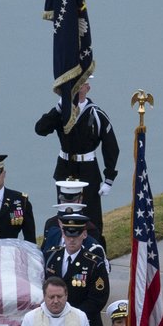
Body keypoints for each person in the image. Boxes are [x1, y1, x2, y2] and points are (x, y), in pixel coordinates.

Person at [35, 79, 120, 237]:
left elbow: (111, 147)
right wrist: (59, 108)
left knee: (91, 216)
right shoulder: (61, 112)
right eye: (74, 84)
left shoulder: (96, 114)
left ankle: (95, 253)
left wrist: (109, 178)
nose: (77, 87)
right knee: (65, 214)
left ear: (88, 87)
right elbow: (40, 129)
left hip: (87, 170)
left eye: (81, 83)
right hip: (65, 168)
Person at [44, 213, 109, 326]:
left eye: (76, 235)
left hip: (85, 324)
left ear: (84, 235)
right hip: (54, 323)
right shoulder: (51, 256)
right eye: (68, 235)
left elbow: (98, 298)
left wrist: (71, 316)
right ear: (63, 234)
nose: (72, 240)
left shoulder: (94, 263)